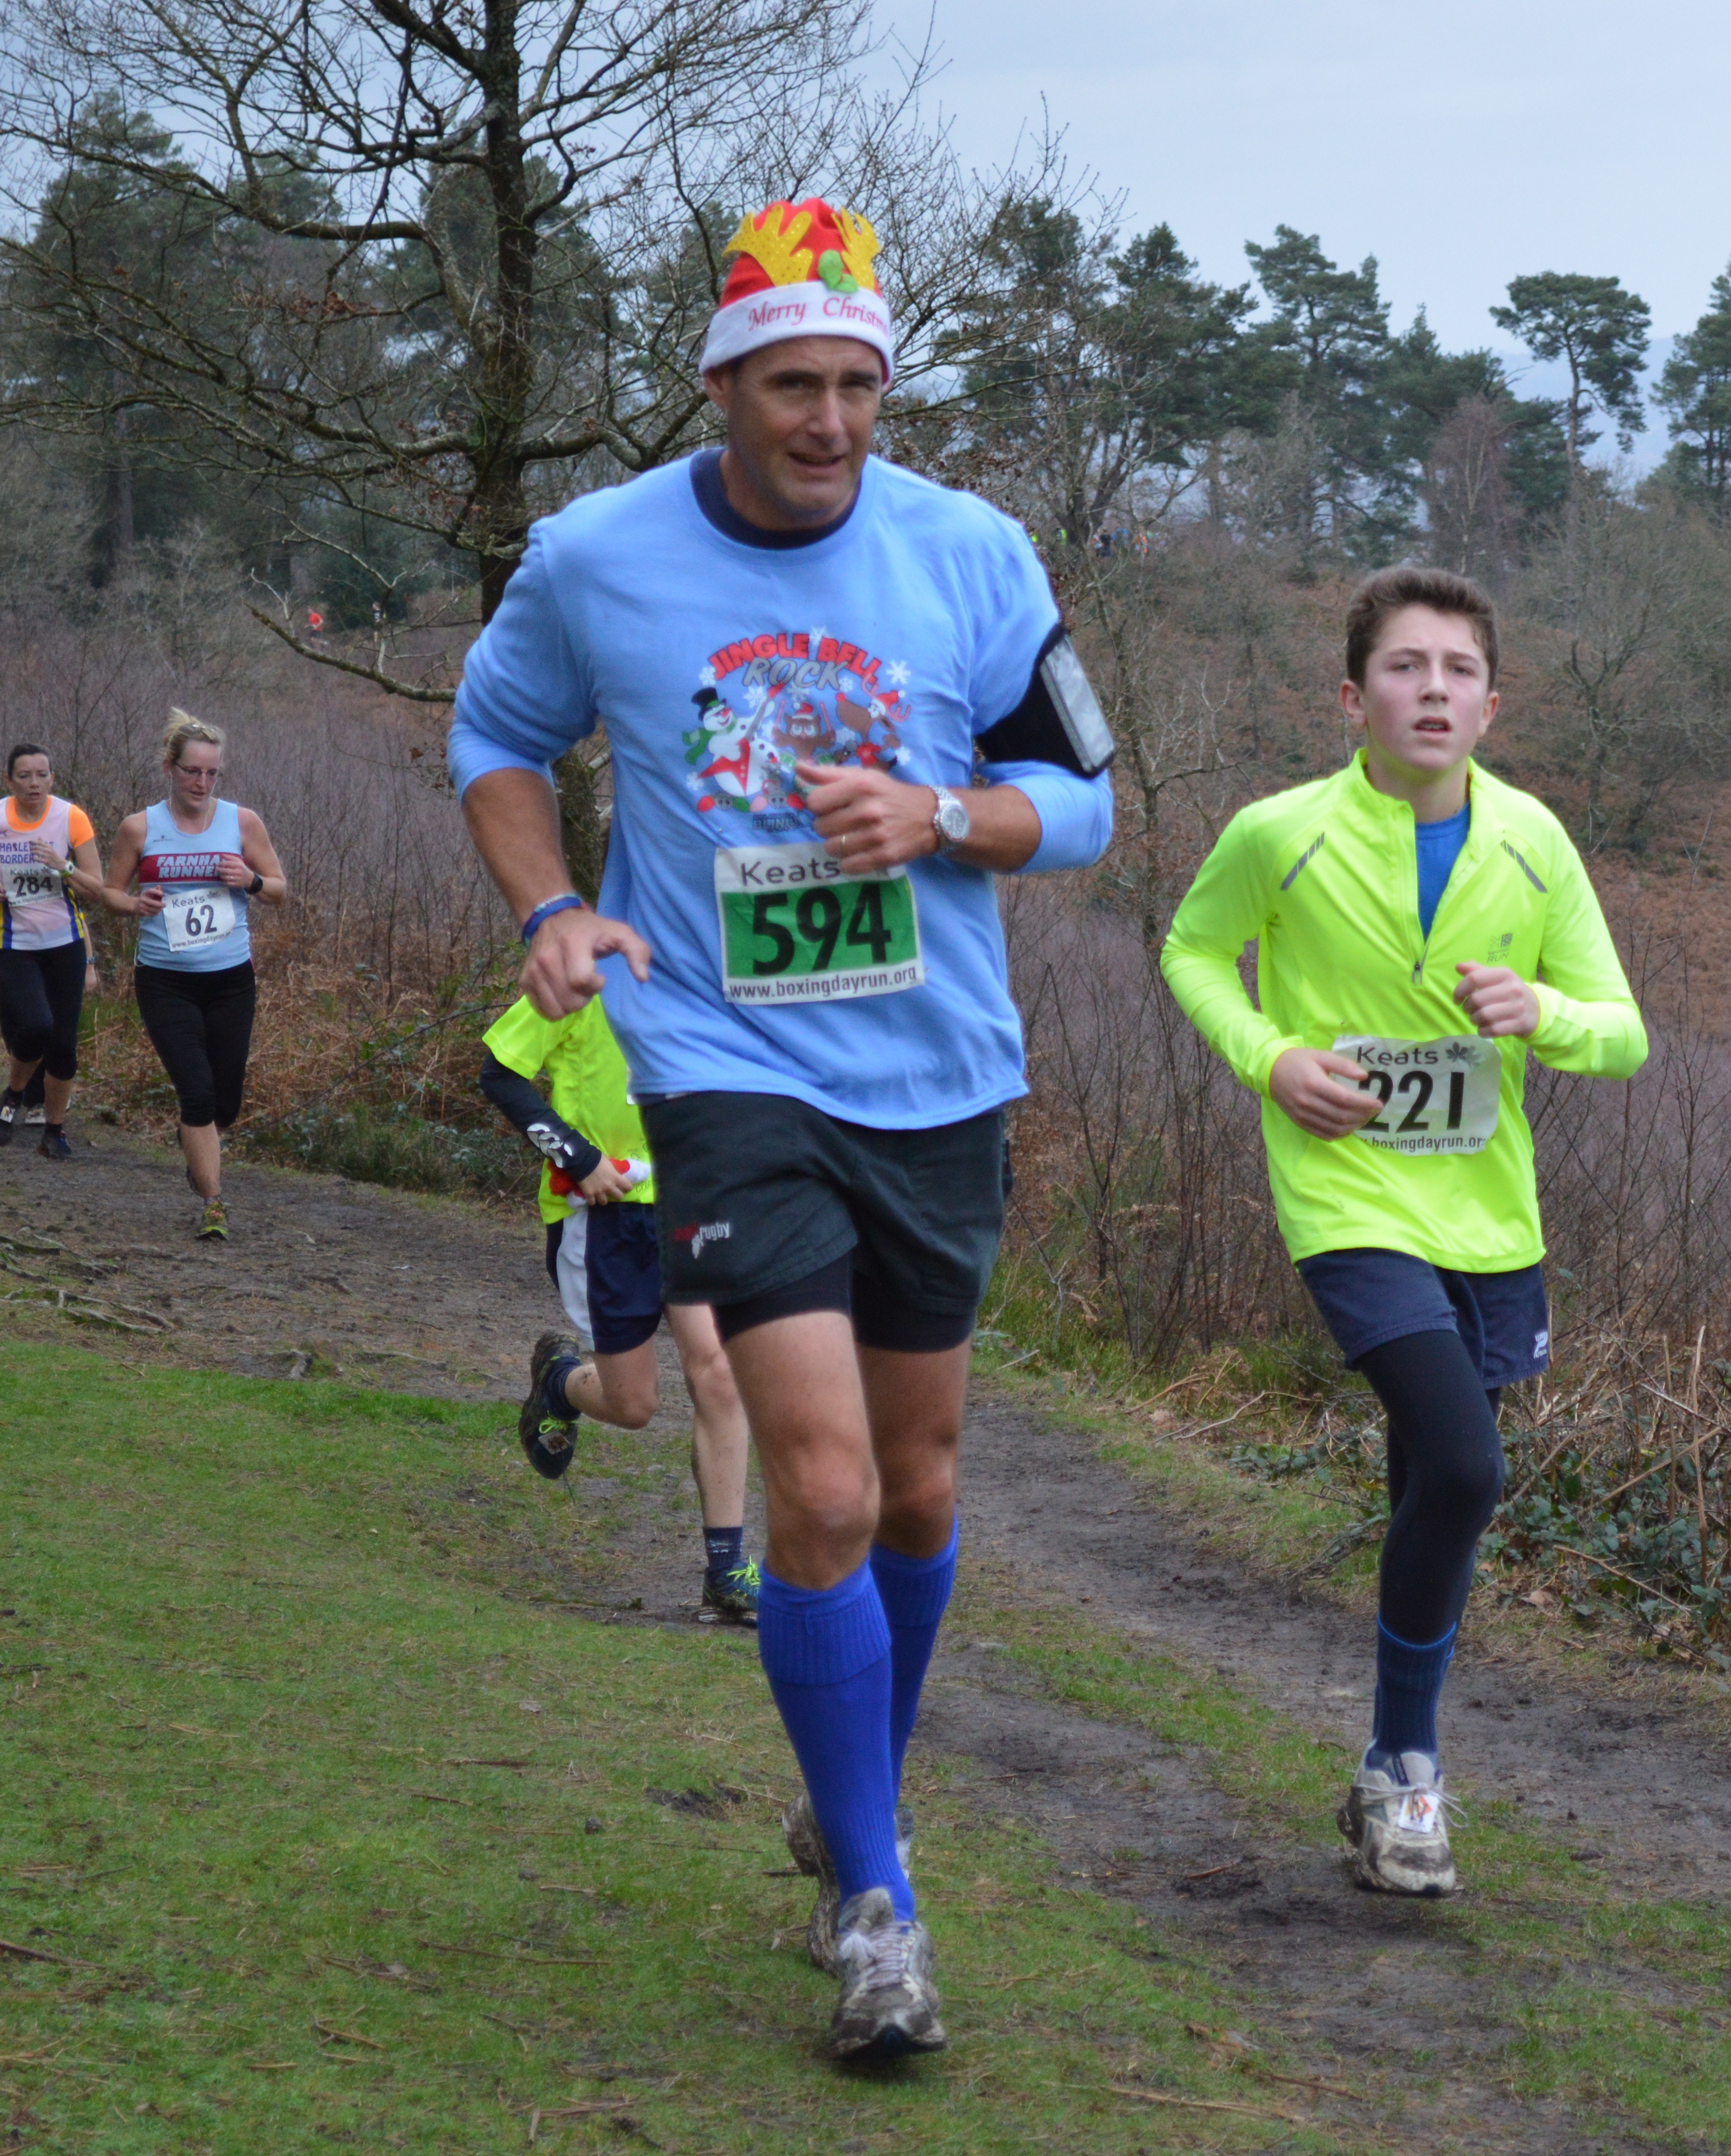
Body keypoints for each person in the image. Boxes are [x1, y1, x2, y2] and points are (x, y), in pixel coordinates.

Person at [447, 195, 1114, 2061]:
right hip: (722, 1063)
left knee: (915, 1488)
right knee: (813, 1489)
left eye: (855, 387)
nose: (826, 423)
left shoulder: (972, 554)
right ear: (721, 385)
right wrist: (550, 909)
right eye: (789, 387)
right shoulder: (596, 557)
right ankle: (880, 1908)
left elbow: (1086, 801)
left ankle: (851, 1807)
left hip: (938, 1074)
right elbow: (491, 740)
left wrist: (948, 819)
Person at [1160, 566, 1648, 1897]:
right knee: (1468, 1464)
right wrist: (1271, 1060)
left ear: (1494, 704)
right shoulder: (1279, 835)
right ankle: (1414, 1771)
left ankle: (1384, 1774)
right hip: (1347, 1197)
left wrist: (1541, 1013)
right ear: (1351, 696)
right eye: (1403, 666)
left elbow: (1624, 1032)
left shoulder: (1538, 844)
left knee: (1429, 1483)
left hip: (1489, 1217)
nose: (1432, 689)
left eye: (1457, 670)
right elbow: (1193, 953)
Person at [480, 987, 763, 1621]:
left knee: (718, 1373)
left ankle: (727, 1572)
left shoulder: (714, 969)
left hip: (689, 1202)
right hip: (602, 1213)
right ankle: (558, 1383)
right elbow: (500, 1071)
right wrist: (577, 1158)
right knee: (634, 1406)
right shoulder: (583, 976)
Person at [91, 713, 287, 1240]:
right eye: (191, 772)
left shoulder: (242, 823)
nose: (201, 784)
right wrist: (135, 904)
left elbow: (279, 889)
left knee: (226, 1102)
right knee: (197, 1093)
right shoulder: (141, 827)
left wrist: (250, 879)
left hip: (230, 980)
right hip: (165, 980)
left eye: (211, 774)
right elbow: (108, 893)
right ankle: (214, 1201)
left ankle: (199, 1152)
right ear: (169, 769)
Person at [0, 745, 105, 1161]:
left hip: (65, 944)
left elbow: (97, 887)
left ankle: (54, 1130)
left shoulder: (71, 818)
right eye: (24, 775)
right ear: (9, 781)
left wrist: (65, 867)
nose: (34, 783)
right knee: (36, 1025)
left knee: (64, 1044)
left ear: (53, 779)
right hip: (13, 944)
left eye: (42, 774)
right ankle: (13, 1096)